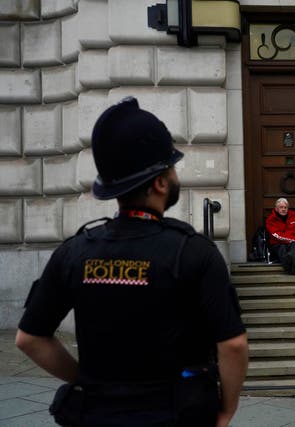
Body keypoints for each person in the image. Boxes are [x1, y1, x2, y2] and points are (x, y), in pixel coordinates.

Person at [15, 97, 248, 427]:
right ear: (160, 182)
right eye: (172, 167)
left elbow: (29, 339)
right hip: (177, 414)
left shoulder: (74, 252)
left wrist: (86, 380)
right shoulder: (195, 252)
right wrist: (226, 410)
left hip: (97, 415)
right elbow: (233, 345)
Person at [265, 198, 295, 275]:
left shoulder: (293, 216)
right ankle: (291, 267)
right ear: (276, 208)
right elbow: (276, 235)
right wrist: (292, 240)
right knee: (282, 248)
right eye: (281, 207)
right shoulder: (271, 219)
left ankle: (292, 259)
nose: (283, 209)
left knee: (294, 247)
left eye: (285, 207)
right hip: (277, 243)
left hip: (293, 243)